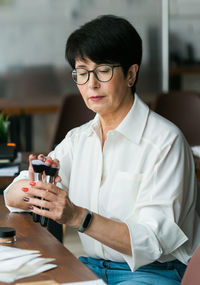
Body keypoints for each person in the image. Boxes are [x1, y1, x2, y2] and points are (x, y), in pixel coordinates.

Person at [4, 15, 200, 285]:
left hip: (154, 273)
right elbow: (12, 196)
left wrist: (77, 217)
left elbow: (152, 242)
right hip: (92, 266)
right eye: (82, 72)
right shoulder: (78, 139)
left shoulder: (166, 143)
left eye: (103, 70)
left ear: (131, 74)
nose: (91, 84)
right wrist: (36, 187)